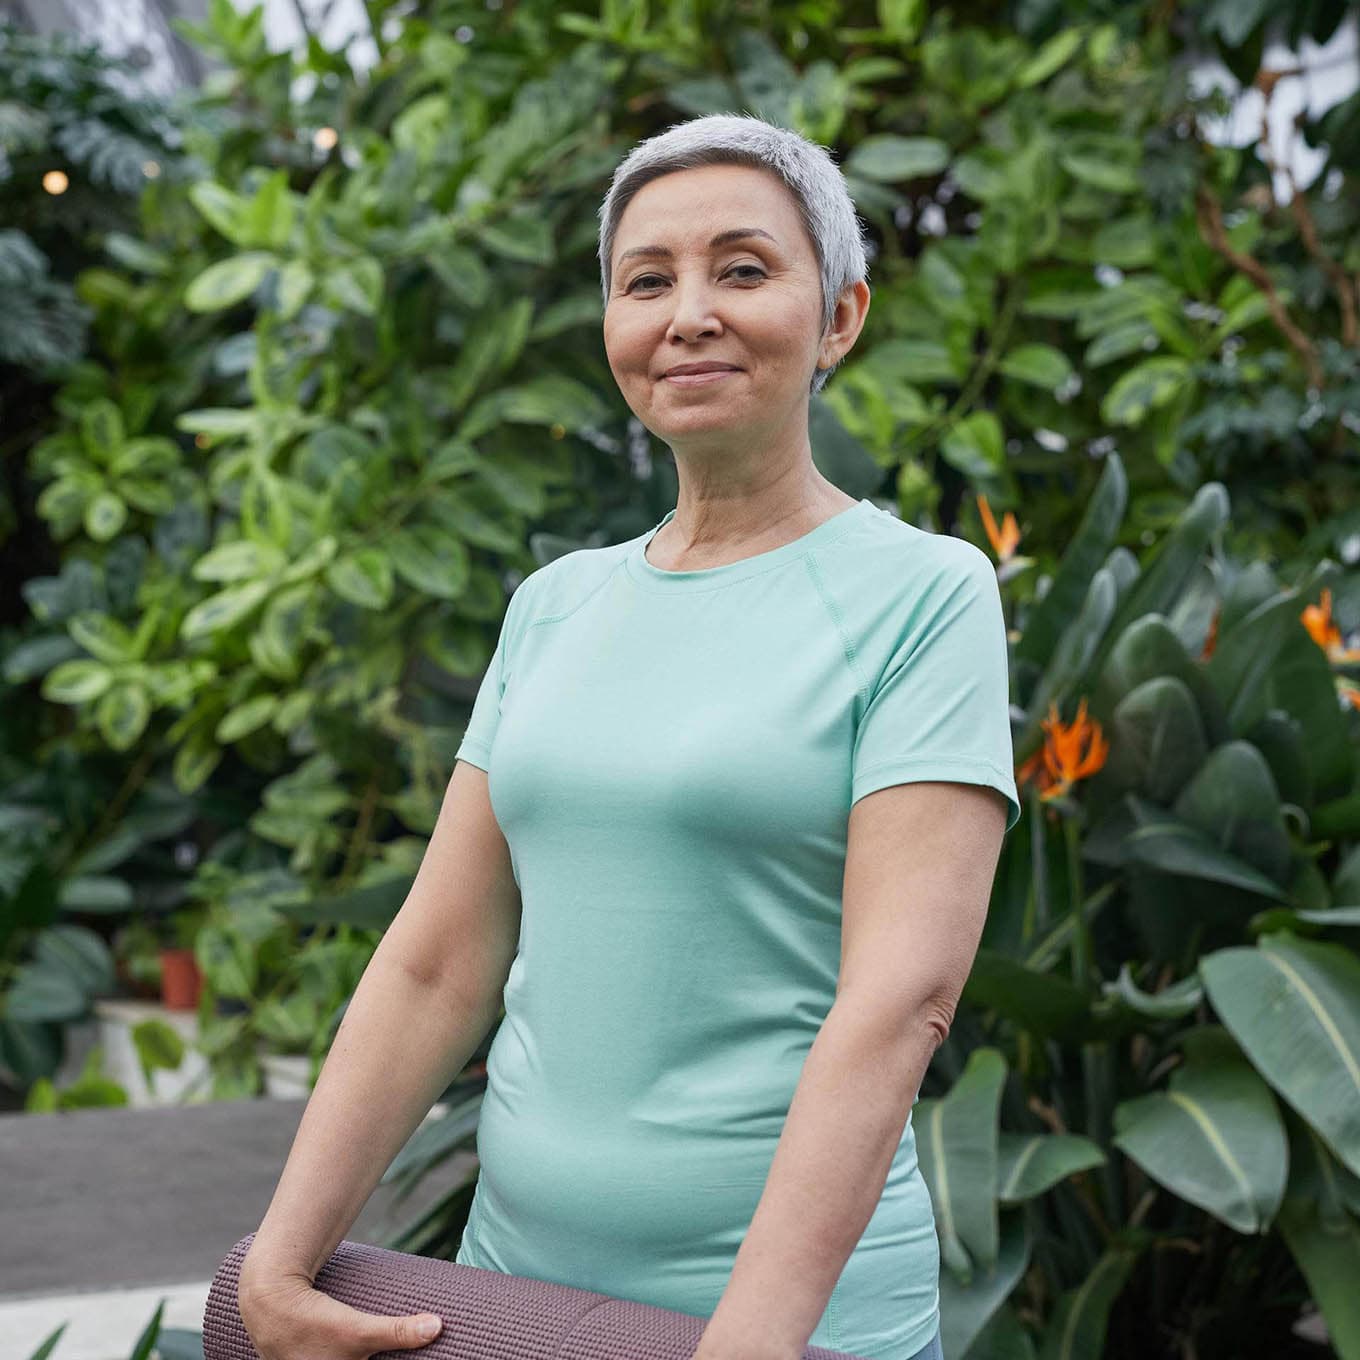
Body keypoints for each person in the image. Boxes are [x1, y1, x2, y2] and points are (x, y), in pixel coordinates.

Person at [239, 112, 1020, 1360]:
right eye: (645, 280)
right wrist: (277, 1261)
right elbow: (436, 963)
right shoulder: (553, 605)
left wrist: (748, 1344)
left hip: (788, 1328)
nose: (688, 312)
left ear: (840, 317)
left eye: (744, 269)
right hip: (509, 1299)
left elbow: (900, 1001)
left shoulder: (922, 594)